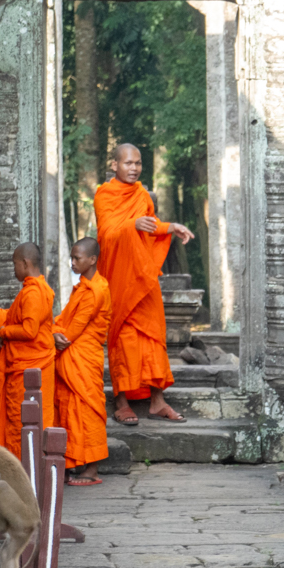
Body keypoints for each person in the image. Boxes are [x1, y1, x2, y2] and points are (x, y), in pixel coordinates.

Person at [94, 143, 195, 425]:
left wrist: (170, 226)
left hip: (143, 276)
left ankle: (157, 400)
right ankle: (121, 400)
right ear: (114, 165)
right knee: (123, 339)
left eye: (138, 163)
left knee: (153, 337)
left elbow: (150, 225)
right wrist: (132, 225)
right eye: (128, 163)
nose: (134, 168)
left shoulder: (141, 194)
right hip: (119, 277)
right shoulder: (104, 195)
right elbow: (106, 233)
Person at [0, 243, 56, 459]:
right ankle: (31, 473)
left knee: (22, 424)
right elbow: (9, 318)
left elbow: (29, 330)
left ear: (25, 263)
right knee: (30, 422)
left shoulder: (33, 293)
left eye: (15, 264)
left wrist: (4, 333)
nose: (13, 269)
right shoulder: (37, 289)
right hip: (32, 368)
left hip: (28, 371)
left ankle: (25, 475)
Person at [53, 237, 112, 486]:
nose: (73, 262)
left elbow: (70, 333)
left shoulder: (94, 290)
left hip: (83, 355)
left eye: (77, 258)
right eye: (72, 257)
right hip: (75, 356)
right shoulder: (84, 286)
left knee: (87, 409)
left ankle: (92, 469)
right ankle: (73, 462)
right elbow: (64, 319)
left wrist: (52, 331)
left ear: (92, 259)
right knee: (68, 409)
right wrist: (54, 328)